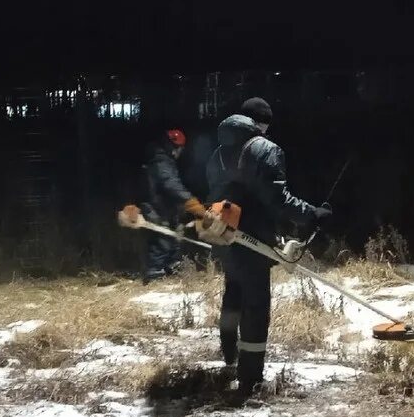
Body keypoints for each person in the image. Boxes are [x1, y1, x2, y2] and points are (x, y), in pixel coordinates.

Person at [205, 98, 332, 400]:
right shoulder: (266, 150)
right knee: (256, 306)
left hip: (224, 235)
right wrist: (312, 214)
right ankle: (250, 380)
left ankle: (228, 356)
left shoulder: (217, 154)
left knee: (232, 294)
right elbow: (278, 198)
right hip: (256, 240)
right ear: (261, 123)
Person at [140, 129, 206, 283]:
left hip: (165, 207)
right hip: (156, 207)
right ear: (171, 146)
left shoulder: (163, 160)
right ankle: (155, 275)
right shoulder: (161, 161)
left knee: (174, 237)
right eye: (178, 148)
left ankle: (173, 269)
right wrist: (190, 202)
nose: (179, 152)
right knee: (162, 240)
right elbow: (170, 184)